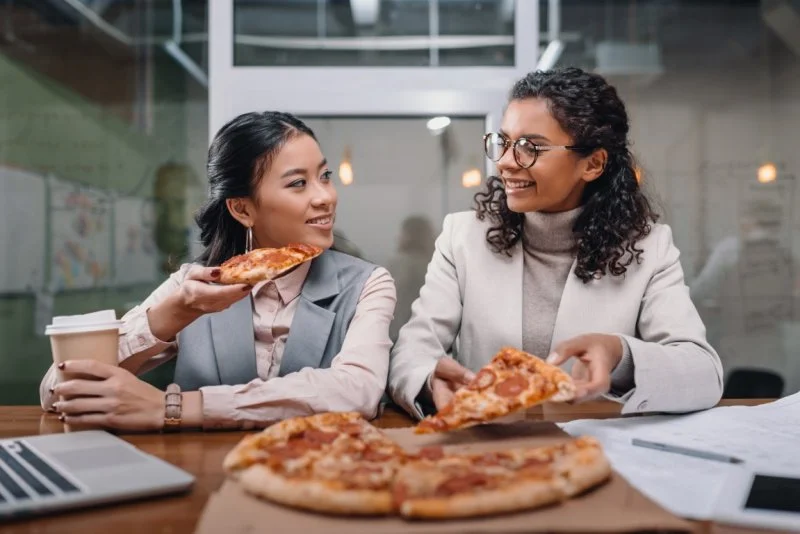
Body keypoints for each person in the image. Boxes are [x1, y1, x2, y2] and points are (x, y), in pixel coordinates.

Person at [388, 67, 723, 419]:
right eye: (503, 142)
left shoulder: (649, 247)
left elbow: (703, 373)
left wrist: (619, 354)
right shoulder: (462, 237)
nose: (504, 162)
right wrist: (428, 381)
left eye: (530, 147)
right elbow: (412, 353)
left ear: (592, 164)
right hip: (486, 449)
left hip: (596, 454)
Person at [40, 111, 396, 431]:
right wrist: (175, 312)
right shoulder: (193, 286)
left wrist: (171, 406)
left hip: (320, 474)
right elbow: (57, 388)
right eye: (298, 183)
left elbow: (357, 391)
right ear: (242, 209)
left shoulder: (367, 284)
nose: (325, 197)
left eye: (324, 176)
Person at [386, 215, 436, 341]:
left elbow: (393, 304)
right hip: (426, 336)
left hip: (398, 335)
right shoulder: (433, 265)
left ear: (408, 235)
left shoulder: (399, 264)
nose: (397, 237)